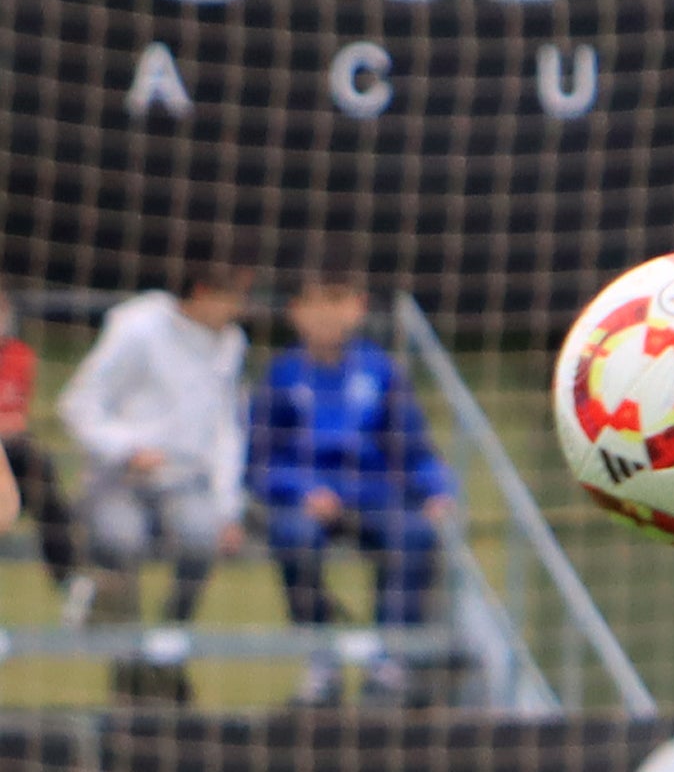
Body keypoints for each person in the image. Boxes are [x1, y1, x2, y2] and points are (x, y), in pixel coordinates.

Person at [250, 264, 458, 704]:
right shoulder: (281, 376)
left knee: (416, 534)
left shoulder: (381, 372)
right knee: (294, 536)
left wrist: (439, 489)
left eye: (338, 299)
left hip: (373, 494)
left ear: (358, 308)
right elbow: (260, 464)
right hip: (308, 500)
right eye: (316, 301)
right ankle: (320, 660)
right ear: (296, 311)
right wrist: (301, 489)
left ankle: (389, 660)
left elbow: (414, 449)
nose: (327, 313)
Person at [66, 259, 251, 692]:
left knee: (202, 534)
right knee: (120, 537)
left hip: (185, 480)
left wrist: (228, 506)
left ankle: (167, 649)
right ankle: (126, 657)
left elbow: (227, 429)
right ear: (204, 290)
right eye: (235, 296)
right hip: (119, 479)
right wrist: (127, 448)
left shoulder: (230, 344)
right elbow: (79, 404)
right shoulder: (137, 327)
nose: (240, 308)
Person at [0, 287, 66, 597]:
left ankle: (69, 578)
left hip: (12, 450)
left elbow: (17, 417)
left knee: (38, 466)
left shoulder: (20, 354)